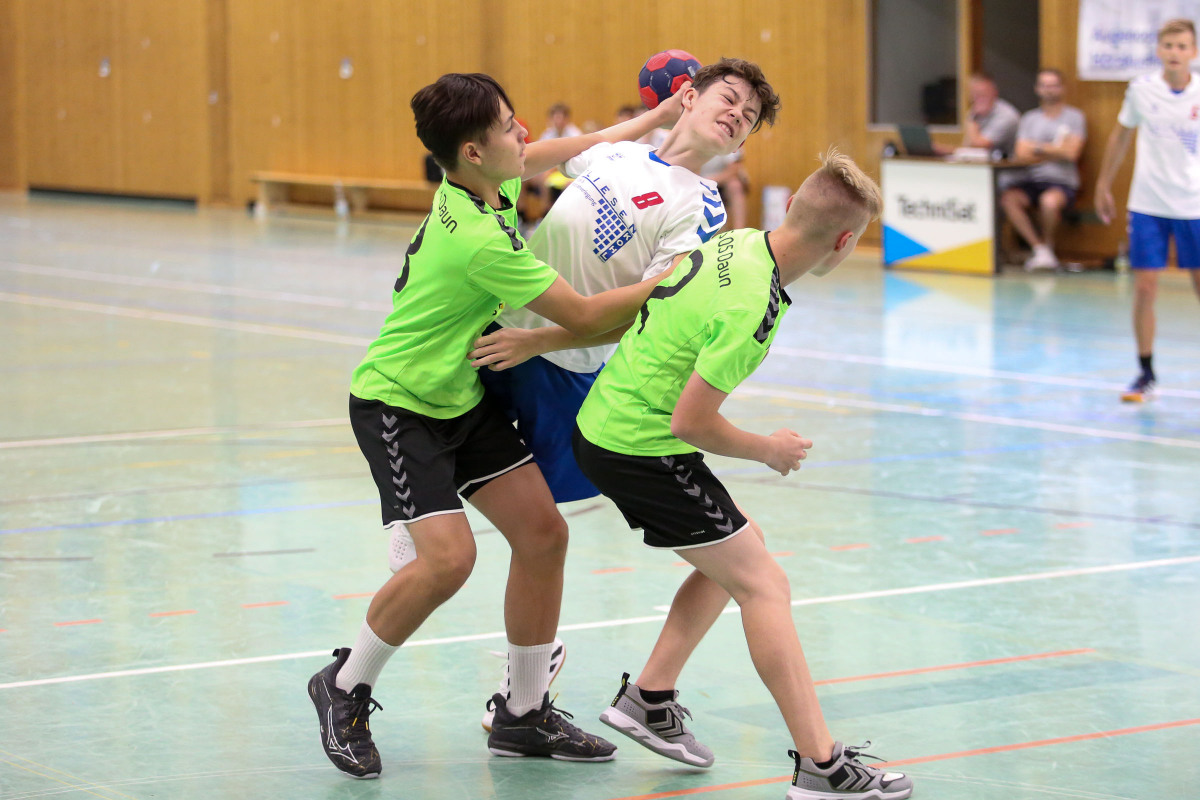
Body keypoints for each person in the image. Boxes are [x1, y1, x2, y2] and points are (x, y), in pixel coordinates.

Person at [307, 72, 686, 779]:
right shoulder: (480, 239)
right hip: (400, 406)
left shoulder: (486, 182)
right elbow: (583, 316)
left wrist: (652, 119)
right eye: (511, 128)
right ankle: (344, 684)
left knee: (543, 535)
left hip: (461, 398)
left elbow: (571, 146)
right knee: (449, 561)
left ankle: (523, 713)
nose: (525, 135)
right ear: (474, 152)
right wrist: (683, 282)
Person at [401, 56, 781, 739]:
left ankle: (529, 672)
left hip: (558, 363)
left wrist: (540, 341)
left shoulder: (703, 208)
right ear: (689, 97)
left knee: (538, 523)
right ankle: (424, 536)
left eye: (749, 116)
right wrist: (645, 120)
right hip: (494, 329)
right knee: (443, 439)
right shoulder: (617, 153)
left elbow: (649, 305)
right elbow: (536, 157)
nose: (736, 115)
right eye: (728, 98)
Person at [571, 148, 913, 800]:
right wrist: (767, 449)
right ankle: (821, 766)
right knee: (764, 585)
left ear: (791, 206)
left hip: (608, 422)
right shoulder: (754, 304)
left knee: (739, 544)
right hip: (639, 447)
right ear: (844, 243)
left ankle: (649, 697)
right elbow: (691, 421)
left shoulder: (736, 243)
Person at [1095, 18, 1200, 403]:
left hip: (1193, 204)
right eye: (1168, 45)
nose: (1174, 53)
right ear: (1158, 50)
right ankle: (1145, 373)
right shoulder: (1141, 90)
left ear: (1193, 52)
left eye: (1182, 46)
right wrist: (1103, 184)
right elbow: (1121, 135)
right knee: (1144, 287)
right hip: (1148, 204)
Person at [999, 68, 1087, 270]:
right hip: (1031, 179)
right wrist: (1056, 148)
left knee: (1049, 202)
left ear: (1063, 88)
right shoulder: (1029, 119)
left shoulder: (1074, 117)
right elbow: (1021, 152)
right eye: (1044, 85)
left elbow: (1071, 153)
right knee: (1008, 199)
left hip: (1061, 181)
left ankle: (1048, 244)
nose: (1049, 90)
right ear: (1037, 89)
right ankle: (1039, 249)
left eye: (1054, 85)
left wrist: (1037, 148)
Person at [962, 72, 1020, 157]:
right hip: (980, 162)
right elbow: (968, 147)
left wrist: (973, 119)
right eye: (975, 93)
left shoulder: (1007, 115)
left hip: (1005, 164)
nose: (978, 98)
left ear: (995, 92)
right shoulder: (976, 112)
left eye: (983, 93)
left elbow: (978, 145)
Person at [700, 147, 750, 229]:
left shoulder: (729, 141)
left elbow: (734, 169)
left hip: (721, 181)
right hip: (698, 181)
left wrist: (708, 181)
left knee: (735, 185)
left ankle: (739, 231)